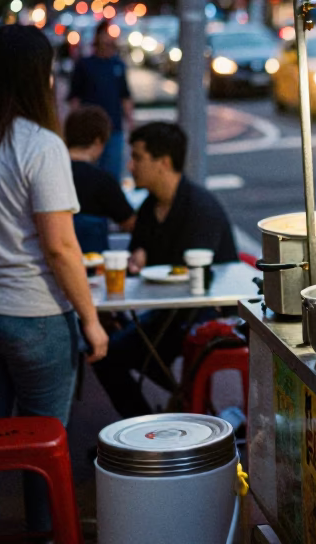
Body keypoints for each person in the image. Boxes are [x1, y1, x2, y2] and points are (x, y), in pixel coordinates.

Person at [0, 24, 108, 539]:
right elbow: (59, 247)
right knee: (44, 437)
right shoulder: (41, 145)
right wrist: (91, 322)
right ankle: (48, 531)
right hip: (32, 314)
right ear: (39, 77)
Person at [91, 121, 239, 419]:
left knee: (122, 353)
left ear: (164, 163)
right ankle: (144, 426)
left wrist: (146, 261)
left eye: (137, 157)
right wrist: (136, 261)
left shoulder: (199, 206)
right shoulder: (149, 207)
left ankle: (175, 414)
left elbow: (199, 271)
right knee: (104, 355)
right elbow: (138, 257)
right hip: (165, 313)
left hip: (204, 314)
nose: (130, 166)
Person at [64, 105, 136, 256]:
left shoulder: (51, 174)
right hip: (93, 265)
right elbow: (130, 223)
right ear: (98, 141)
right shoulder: (102, 180)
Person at [68, 26, 133, 181]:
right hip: (89, 129)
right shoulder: (85, 64)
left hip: (114, 128)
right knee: (88, 174)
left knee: (112, 174)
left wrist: (130, 121)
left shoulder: (118, 64)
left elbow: (125, 95)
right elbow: (75, 97)